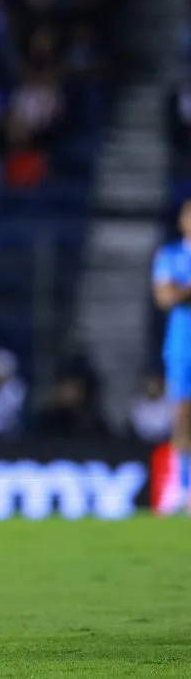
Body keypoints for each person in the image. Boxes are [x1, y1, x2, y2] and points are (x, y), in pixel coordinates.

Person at [152, 199, 191, 510]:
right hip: (183, 346)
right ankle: (182, 487)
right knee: (182, 416)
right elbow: (165, 297)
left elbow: (176, 292)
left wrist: (183, 290)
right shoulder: (171, 255)